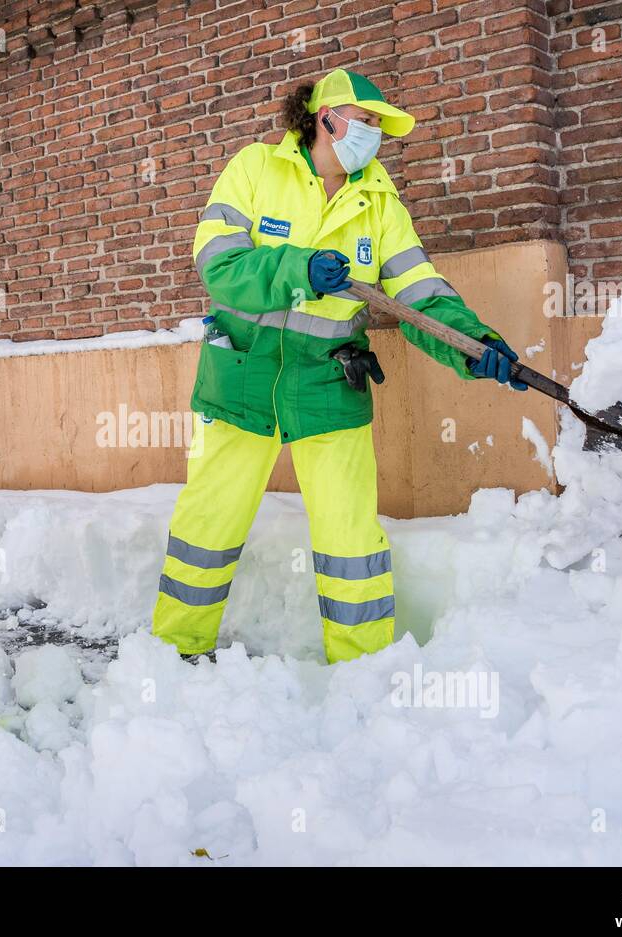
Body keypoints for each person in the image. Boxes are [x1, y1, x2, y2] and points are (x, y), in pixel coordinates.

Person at [152, 69, 527, 664]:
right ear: (325, 116)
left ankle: (365, 665)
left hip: (328, 382)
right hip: (242, 379)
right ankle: (173, 652)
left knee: (351, 536)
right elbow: (218, 264)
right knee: (208, 525)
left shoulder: (380, 203)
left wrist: (473, 344)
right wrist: (296, 269)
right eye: (367, 118)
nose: (375, 132)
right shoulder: (255, 168)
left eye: (380, 124)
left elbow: (419, 293)